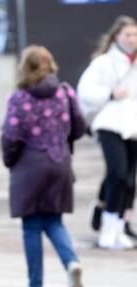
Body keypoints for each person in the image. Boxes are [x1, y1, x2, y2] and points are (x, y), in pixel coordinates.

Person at [1, 45, 87, 287]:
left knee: (31, 226)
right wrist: (60, 139)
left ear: (25, 67)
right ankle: (71, 262)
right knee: (54, 220)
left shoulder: (19, 98)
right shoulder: (65, 92)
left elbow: (9, 137)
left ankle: (35, 286)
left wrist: (10, 162)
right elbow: (80, 126)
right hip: (60, 163)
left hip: (29, 168)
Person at [78, 15, 137, 250]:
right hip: (110, 124)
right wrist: (110, 94)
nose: (132, 39)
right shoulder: (104, 62)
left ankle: (119, 227)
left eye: (135, 35)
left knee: (129, 180)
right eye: (127, 35)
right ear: (116, 37)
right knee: (118, 173)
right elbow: (85, 91)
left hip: (133, 126)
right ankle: (106, 226)